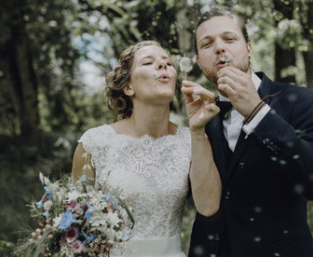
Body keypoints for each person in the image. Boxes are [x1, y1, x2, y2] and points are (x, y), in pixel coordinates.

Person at [184, 10, 313, 257]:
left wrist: (258, 114)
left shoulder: (300, 100)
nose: (218, 48)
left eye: (229, 39)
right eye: (207, 44)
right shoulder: (201, 117)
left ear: (248, 48)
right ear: (198, 59)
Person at [72, 41, 222, 257]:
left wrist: (197, 130)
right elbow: (76, 229)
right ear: (128, 87)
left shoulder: (191, 140)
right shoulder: (94, 143)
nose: (163, 67)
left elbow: (208, 207)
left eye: (168, 64)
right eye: (149, 62)